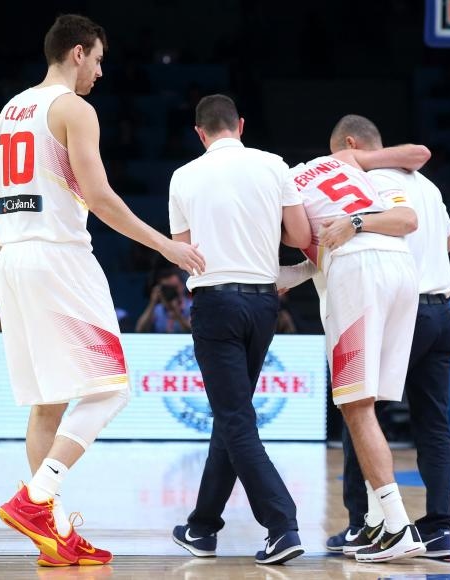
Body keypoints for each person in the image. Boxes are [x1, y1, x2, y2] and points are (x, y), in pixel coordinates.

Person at [0, 14, 205, 567]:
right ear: (77, 53)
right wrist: (166, 247)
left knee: (48, 406)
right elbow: (99, 198)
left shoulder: (8, 112)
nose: (100, 72)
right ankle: (37, 497)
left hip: (14, 259)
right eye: (97, 59)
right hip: (58, 256)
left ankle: (51, 535)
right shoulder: (74, 109)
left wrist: (18, 248)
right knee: (112, 389)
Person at [168, 94, 311, 566]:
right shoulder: (274, 165)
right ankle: (202, 526)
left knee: (234, 417)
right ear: (241, 125)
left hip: (215, 303)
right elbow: (299, 236)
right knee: (232, 415)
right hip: (264, 304)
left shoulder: (184, 176)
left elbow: (183, 251)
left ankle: (282, 524)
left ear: (200, 133)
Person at [278, 141, 432, 563]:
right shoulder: (349, 167)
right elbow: (405, 219)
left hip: (358, 272)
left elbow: (302, 236)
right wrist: (297, 271)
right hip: (401, 270)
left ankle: (399, 524)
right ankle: (380, 522)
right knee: (370, 406)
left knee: (355, 407)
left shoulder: (285, 180)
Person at [323, 115, 450, 561]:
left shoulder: (373, 181)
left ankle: (364, 523)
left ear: (350, 146)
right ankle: (439, 528)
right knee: (434, 424)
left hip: (406, 309)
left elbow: (408, 221)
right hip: (442, 310)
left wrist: (359, 225)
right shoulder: (429, 184)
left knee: (359, 411)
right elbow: (449, 238)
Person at [134, 266, 192, 333]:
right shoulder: (158, 309)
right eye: (167, 288)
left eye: (174, 287)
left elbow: (191, 331)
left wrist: (176, 312)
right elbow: (140, 329)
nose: (171, 291)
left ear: (182, 286)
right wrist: (152, 302)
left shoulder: (191, 306)